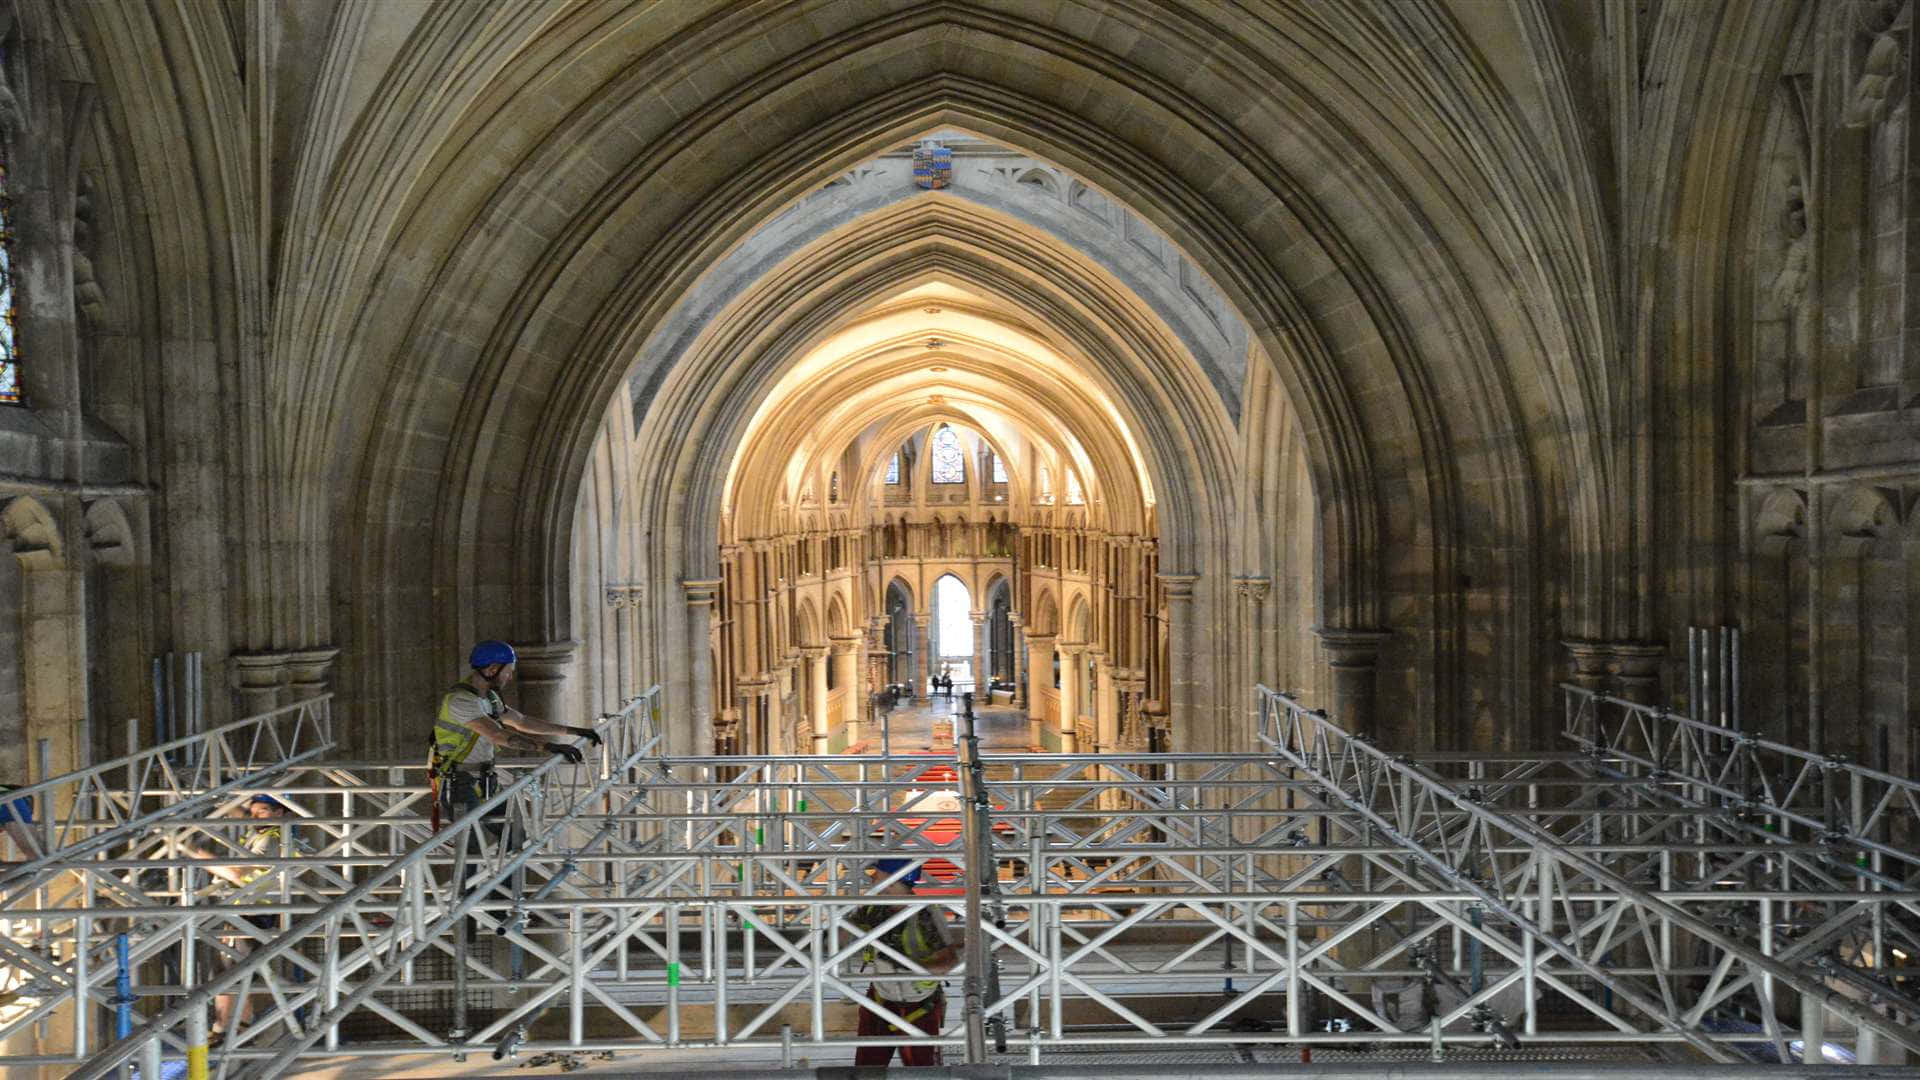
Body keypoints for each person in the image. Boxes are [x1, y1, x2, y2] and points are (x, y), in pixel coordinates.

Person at [431, 640, 603, 827]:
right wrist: (547, 747)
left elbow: (521, 721)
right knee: (471, 847)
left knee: (514, 834)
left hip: (484, 779)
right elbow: (497, 735)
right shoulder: (461, 701)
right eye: (508, 671)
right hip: (459, 783)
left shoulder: (488, 698)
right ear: (492, 669)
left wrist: (573, 731)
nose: (510, 677)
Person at [183, 794, 306, 1044]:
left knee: (232, 973)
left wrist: (198, 856)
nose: (254, 816)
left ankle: (232, 1029)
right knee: (231, 972)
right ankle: (231, 1027)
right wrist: (225, 801)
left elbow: (239, 872)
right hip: (246, 911)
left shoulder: (272, 839)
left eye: (261, 811)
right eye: (252, 812)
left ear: (280, 812)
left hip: (253, 913)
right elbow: (241, 815)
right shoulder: (263, 831)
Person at [847, 857, 962, 1067]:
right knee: (867, 1067)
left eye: (877, 874)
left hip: (918, 1005)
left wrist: (913, 970)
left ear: (891, 880)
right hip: (881, 998)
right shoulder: (873, 909)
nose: (872, 878)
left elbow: (949, 961)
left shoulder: (925, 916)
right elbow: (844, 932)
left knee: (921, 1070)